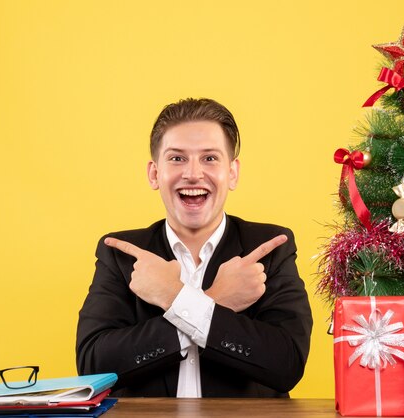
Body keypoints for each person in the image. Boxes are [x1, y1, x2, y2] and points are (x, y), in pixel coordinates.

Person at [76, 98, 312, 397]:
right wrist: (214, 301)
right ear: (154, 173)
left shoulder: (268, 248)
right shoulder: (121, 253)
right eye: (176, 158)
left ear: (232, 173)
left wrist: (174, 298)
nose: (193, 173)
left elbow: (287, 365)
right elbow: (94, 366)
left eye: (210, 158)